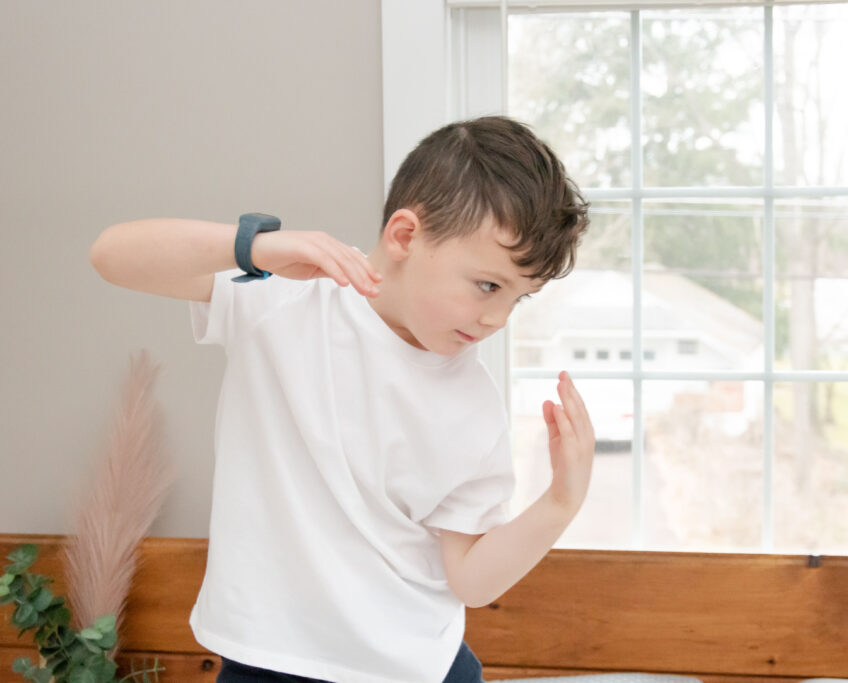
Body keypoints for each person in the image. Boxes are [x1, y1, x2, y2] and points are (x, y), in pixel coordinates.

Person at [89, 115, 595, 683]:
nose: (497, 318)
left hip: (416, 670)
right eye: (487, 285)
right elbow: (112, 255)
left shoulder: (474, 404)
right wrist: (255, 247)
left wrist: (560, 503)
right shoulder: (287, 296)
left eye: (518, 299)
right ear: (405, 236)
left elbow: (471, 582)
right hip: (265, 660)